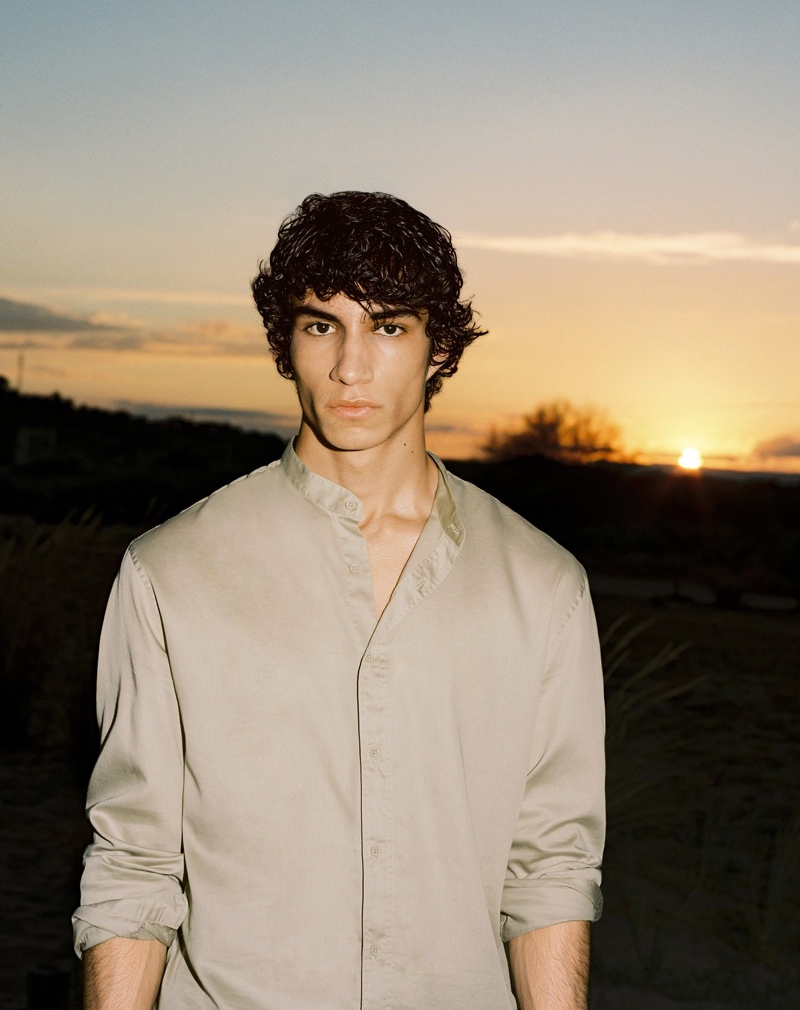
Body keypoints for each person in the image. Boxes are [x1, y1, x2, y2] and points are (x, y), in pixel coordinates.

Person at [73, 191, 605, 1010]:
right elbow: (133, 864)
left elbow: (549, 869)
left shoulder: (544, 586)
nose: (351, 367)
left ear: (438, 346)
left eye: (388, 325)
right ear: (285, 341)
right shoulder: (170, 572)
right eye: (322, 324)